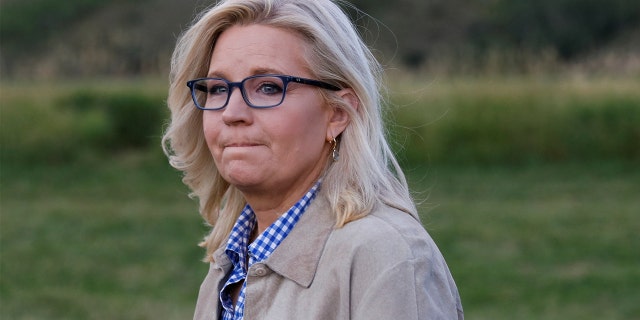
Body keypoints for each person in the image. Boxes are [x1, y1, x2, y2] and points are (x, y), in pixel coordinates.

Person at [162, 0, 463, 319]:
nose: (232, 113)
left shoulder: (387, 256)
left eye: (267, 87)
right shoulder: (233, 258)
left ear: (337, 113)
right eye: (218, 89)